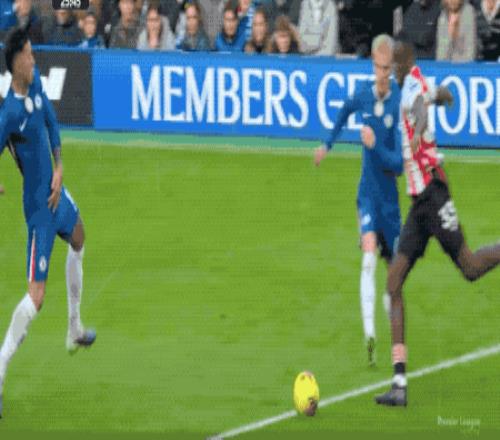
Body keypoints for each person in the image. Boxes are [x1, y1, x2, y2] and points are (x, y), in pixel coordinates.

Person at [374, 40, 500, 407]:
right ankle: (399, 384)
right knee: (393, 282)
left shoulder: (409, 90)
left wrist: (423, 121)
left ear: (403, 63)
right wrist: (442, 100)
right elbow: (442, 92)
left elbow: (419, 106)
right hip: (420, 205)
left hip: (433, 194)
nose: (391, 71)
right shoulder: (417, 81)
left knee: (470, 267)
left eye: (393, 64)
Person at [0, 27, 96, 417]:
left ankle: (74, 328)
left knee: (79, 237)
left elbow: (52, 122)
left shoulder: (37, 82)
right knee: (36, 297)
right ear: (15, 62)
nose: (33, 56)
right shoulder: (8, 113)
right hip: (39, 209)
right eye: (27, 53)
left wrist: (59, 167)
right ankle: (0, 367)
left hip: (58, 193)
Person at [315, 34, 403, 366]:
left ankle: (392, 332)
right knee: (368, 258)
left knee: (393, 280)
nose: (382, 74)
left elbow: (398, 165)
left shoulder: (399, 103)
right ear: (373, 65)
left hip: (390, 204)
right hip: (367, 196)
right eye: (378, 67)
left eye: (387, 69)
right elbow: (342, 112)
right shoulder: (363, 94)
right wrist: (327, 144)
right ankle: (369, 336)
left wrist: (374, 145)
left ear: (393, 68)